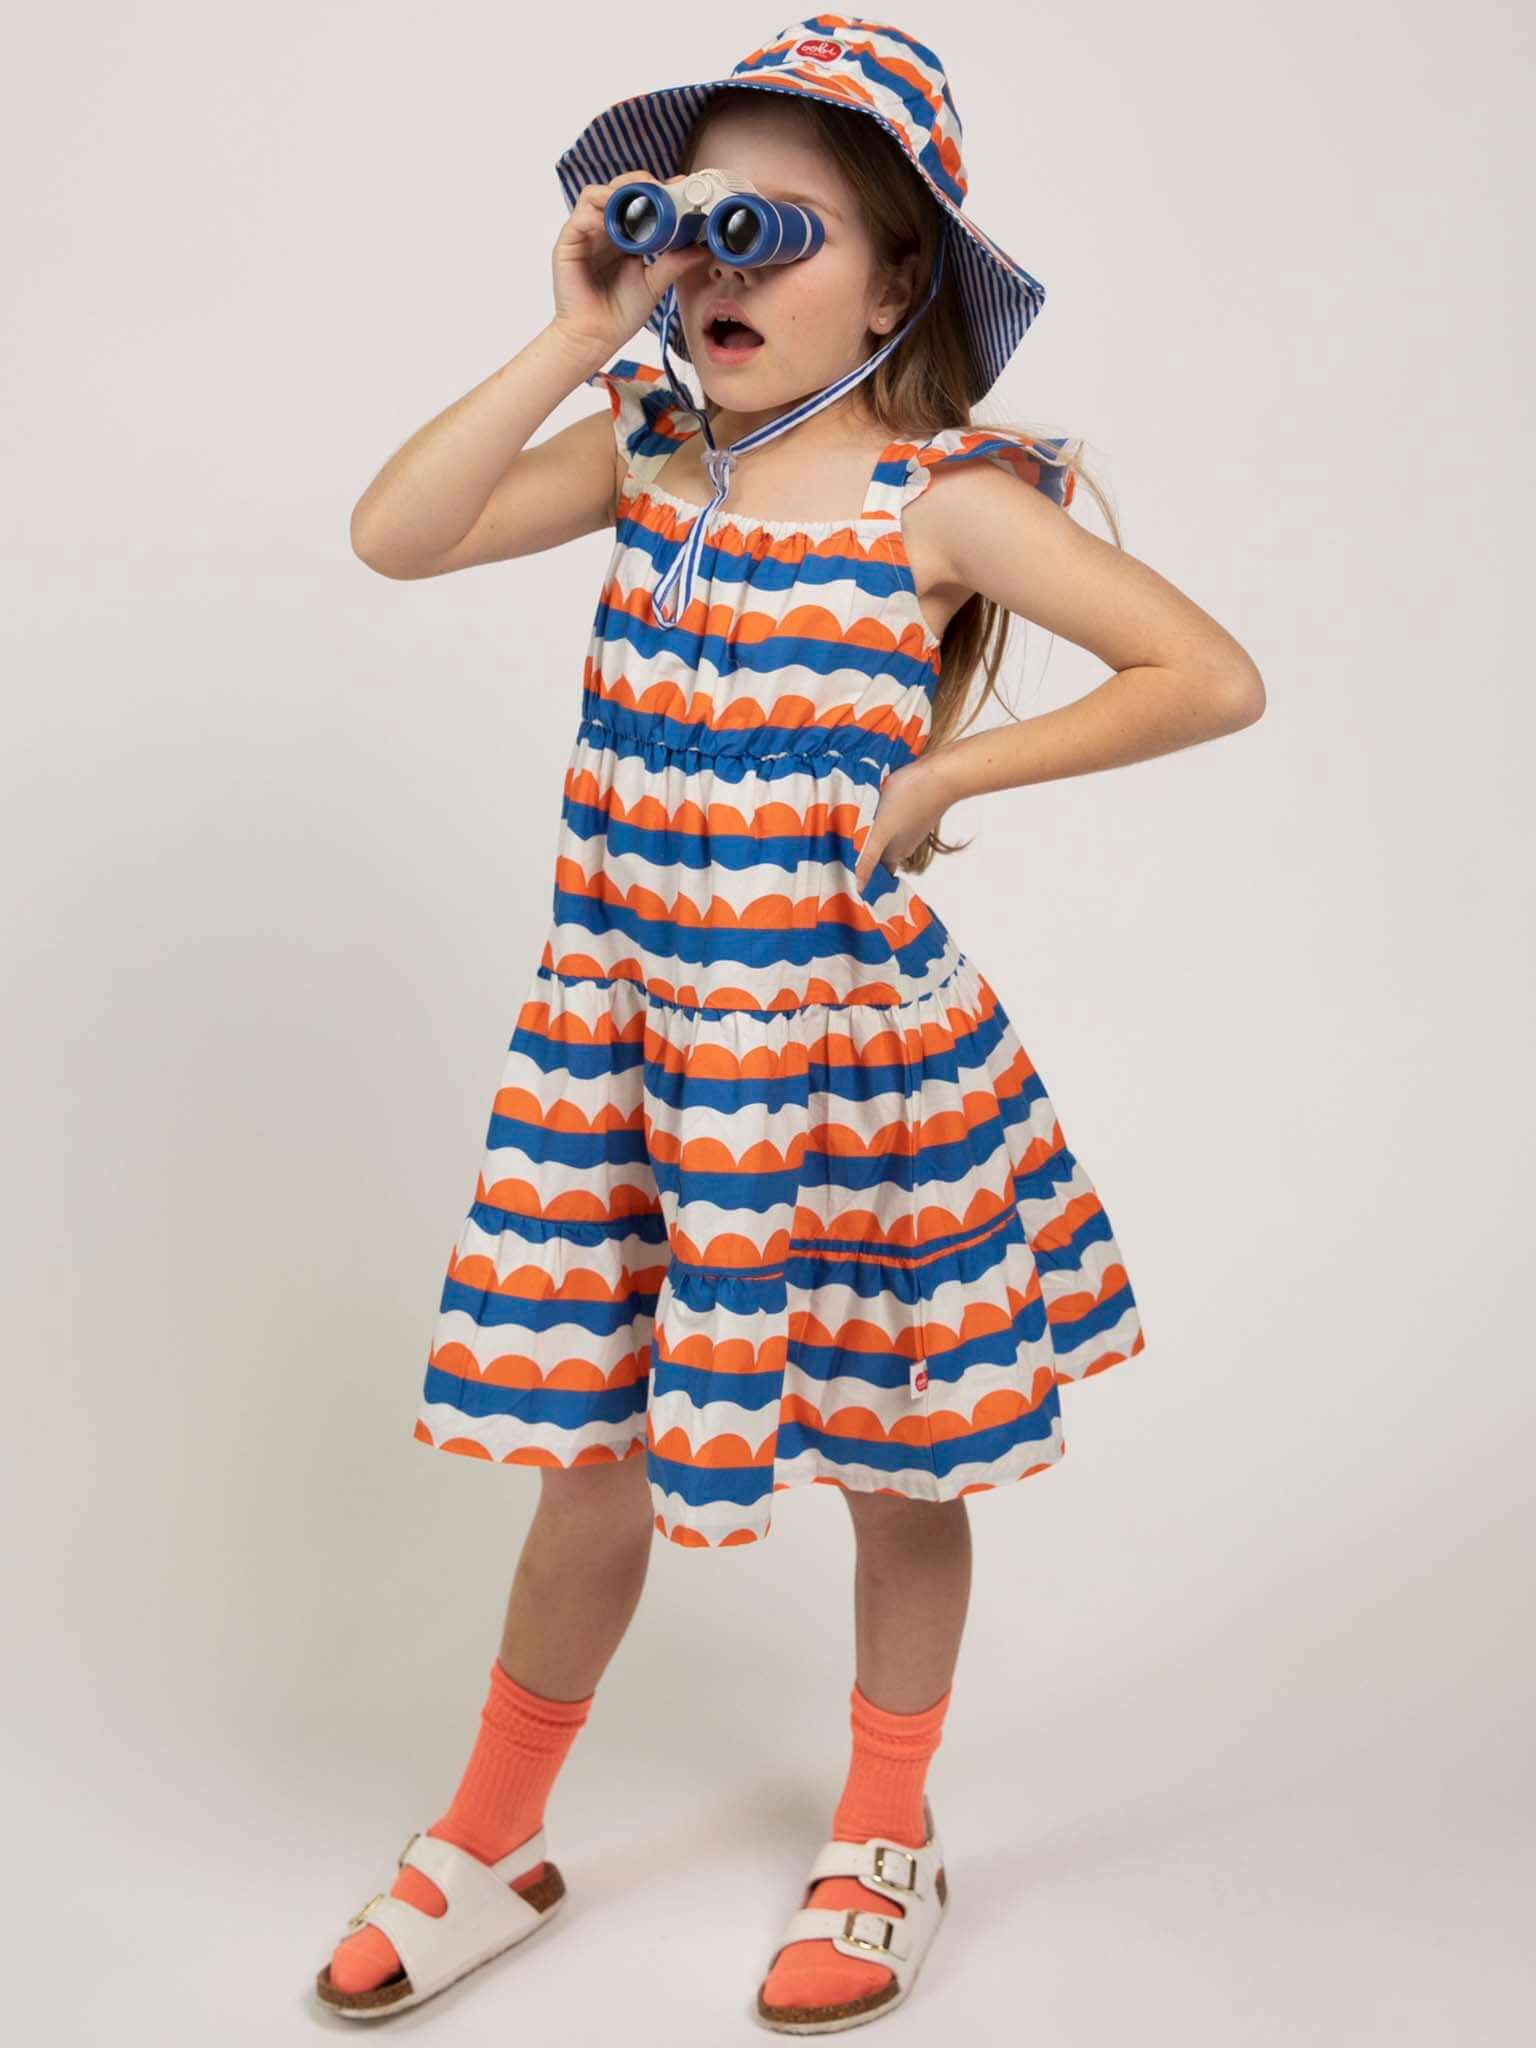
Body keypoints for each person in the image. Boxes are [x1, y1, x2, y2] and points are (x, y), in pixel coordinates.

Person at [317, 16, 1264, 2032]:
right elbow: (394, 532)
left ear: (900, 276)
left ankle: (884, 1829)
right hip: (633, 1056)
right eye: (692, 226)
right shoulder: (651, 456)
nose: (721, 269)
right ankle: (494, 1828)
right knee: (585, 1456)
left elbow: (1207, 672)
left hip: (846, 1060)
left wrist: (944, 788)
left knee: (897, 1461)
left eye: (777, 229)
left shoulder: (943, 501)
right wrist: (580, 333)